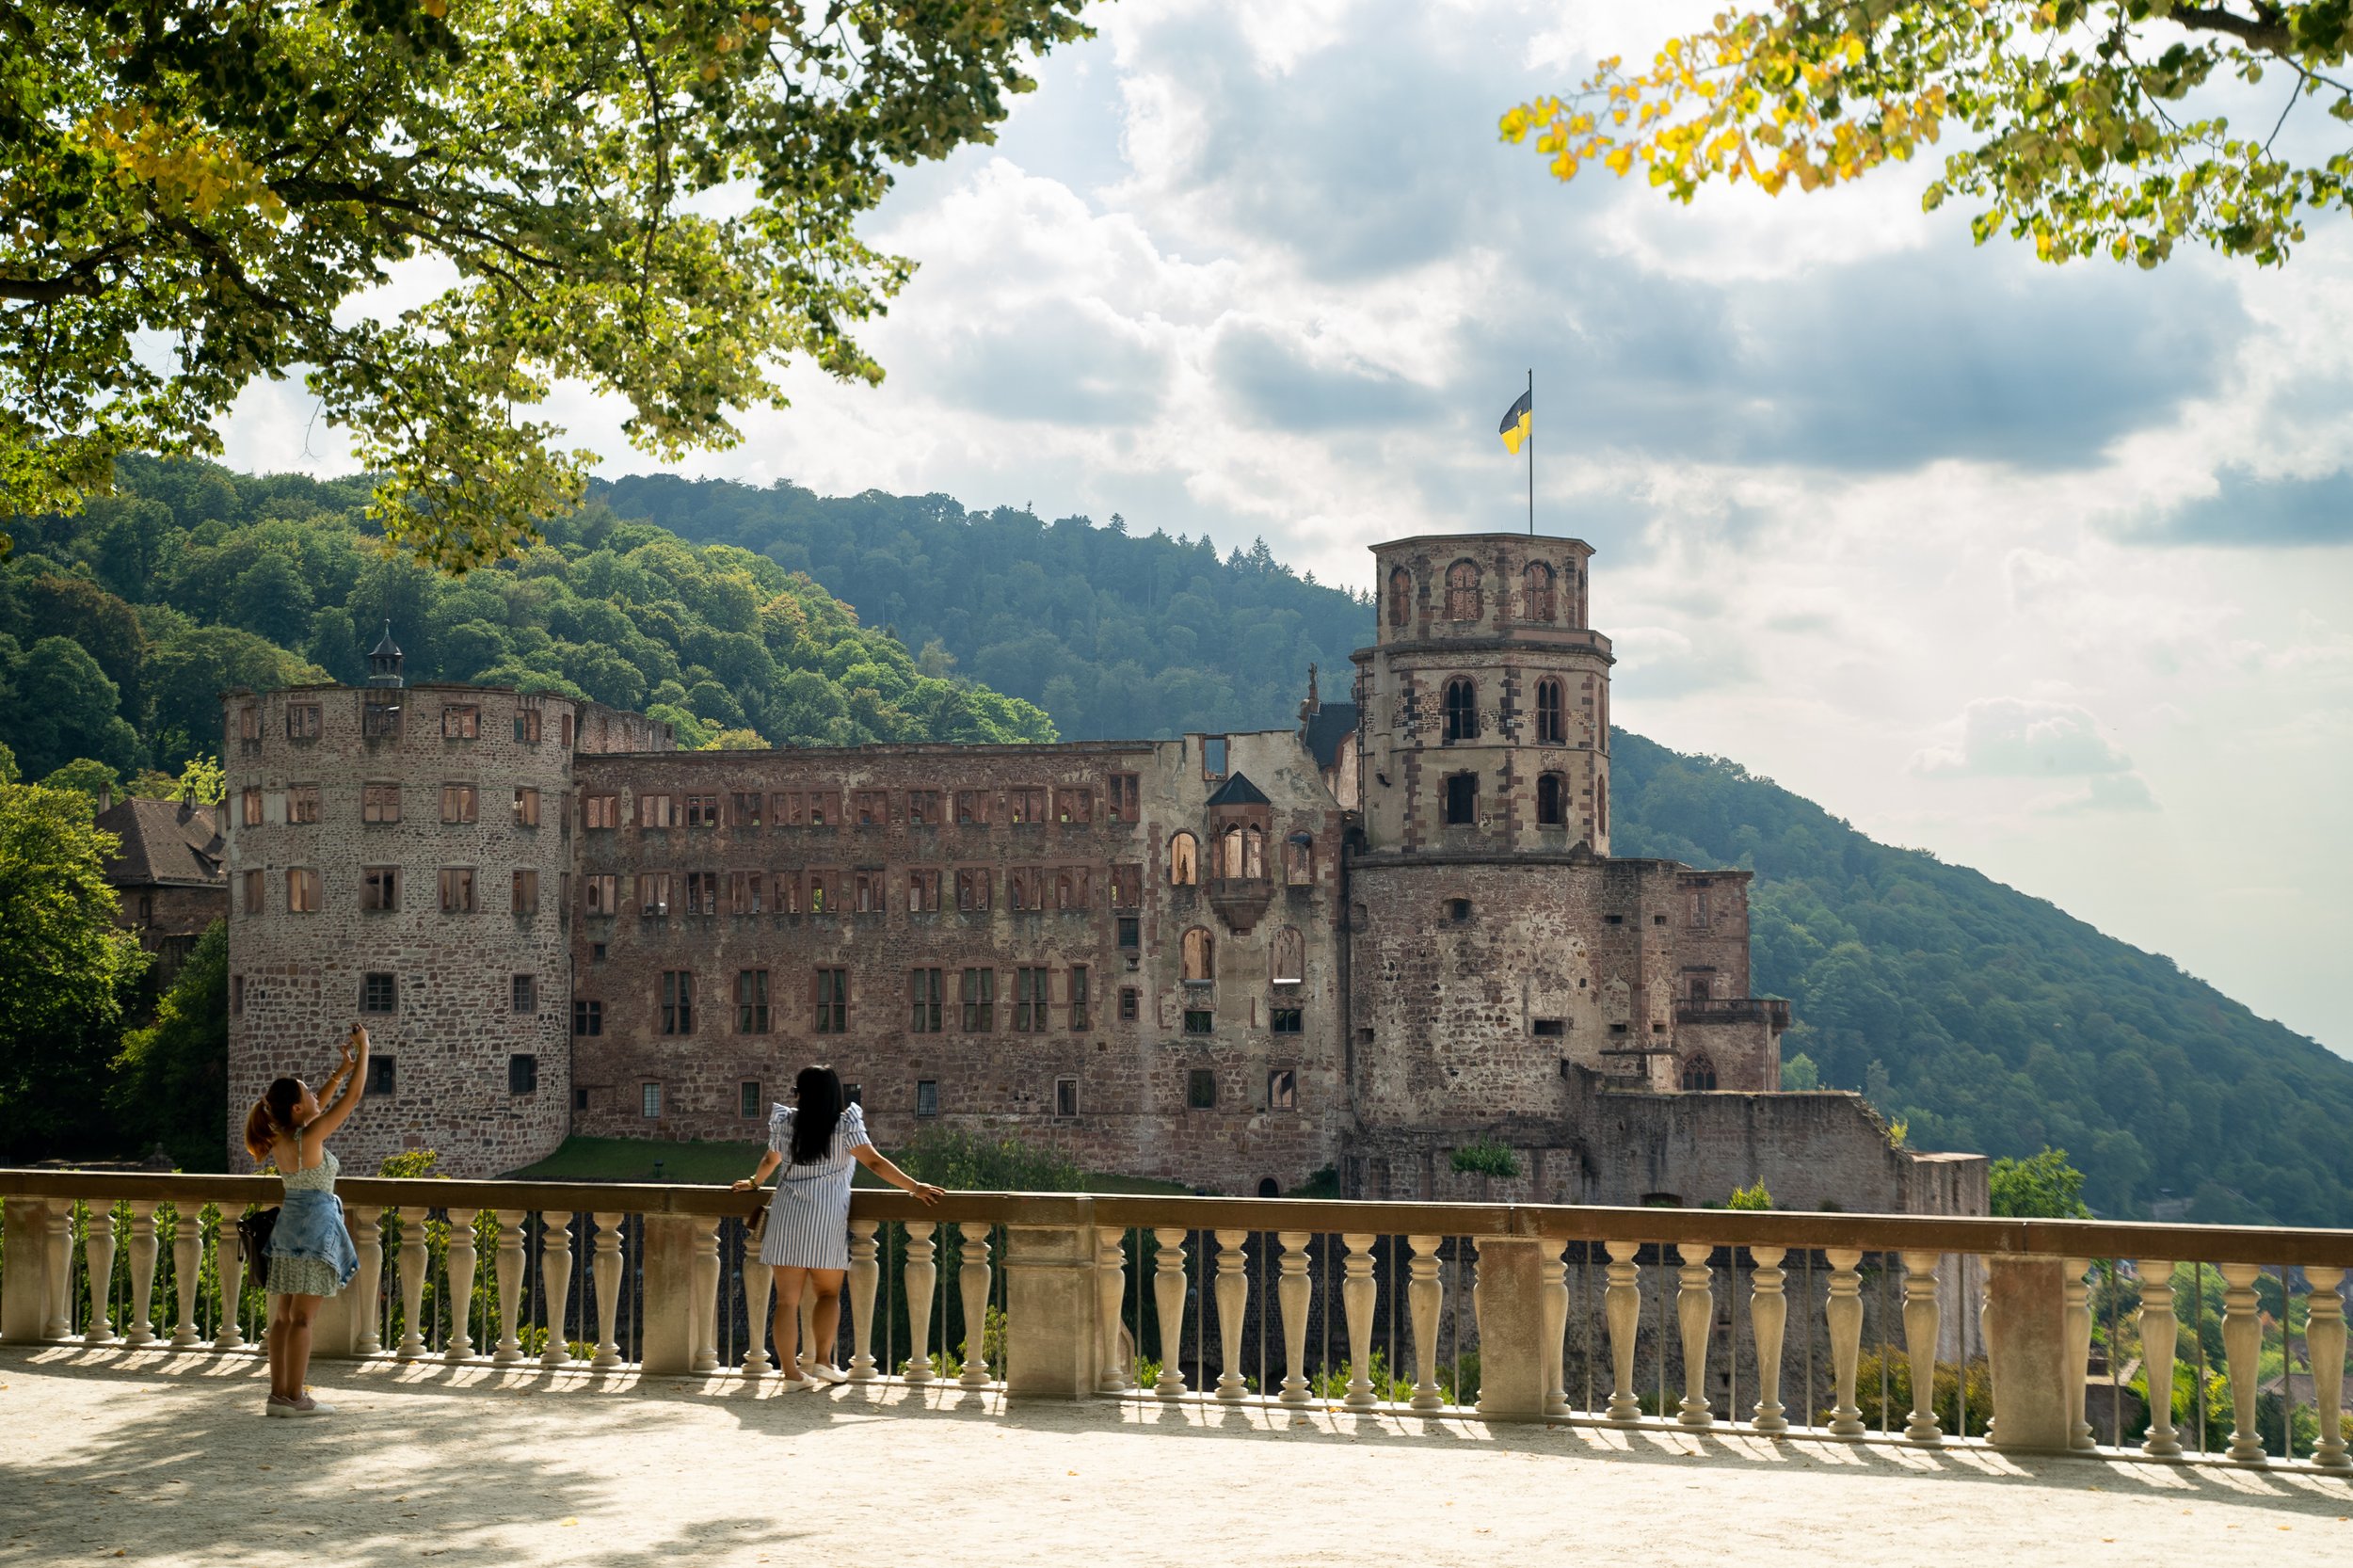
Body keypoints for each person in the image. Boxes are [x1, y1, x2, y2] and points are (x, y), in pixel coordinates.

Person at [734, 1064, 942, 1387]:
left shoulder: (786, 1121)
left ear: (800, 1094)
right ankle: (823, 1363)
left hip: (787, 1216)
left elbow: (770, 1161)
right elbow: (873, 1161)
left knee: (787, 1301)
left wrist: (753, 1182)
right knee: (828, 1294)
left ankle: (790, 1374)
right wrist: (914, 1187)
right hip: (826, 1219)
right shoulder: (845, 1125)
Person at [242, 1023, 370, 1416]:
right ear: (297, 1108)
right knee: (302, 1320)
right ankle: (296, 1397)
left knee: (284, 1317)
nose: (316, 1095)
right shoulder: (308, 1138)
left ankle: (279, 1395)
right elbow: (352, 1099)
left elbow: (319, 1105)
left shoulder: (281, 1137)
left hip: (288, 1227)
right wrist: (365, 1051)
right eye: (307, 1092)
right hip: (314, 1231)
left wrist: (339, 1070)